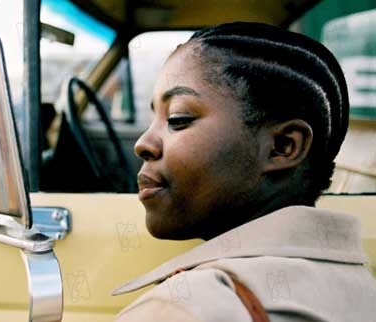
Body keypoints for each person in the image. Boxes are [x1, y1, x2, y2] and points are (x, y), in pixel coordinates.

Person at [112, 22, 376, 321]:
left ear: (282, 146)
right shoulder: (363, 287)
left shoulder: (181, 308)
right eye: (153, 119)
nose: (143, 144)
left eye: (177, 118)